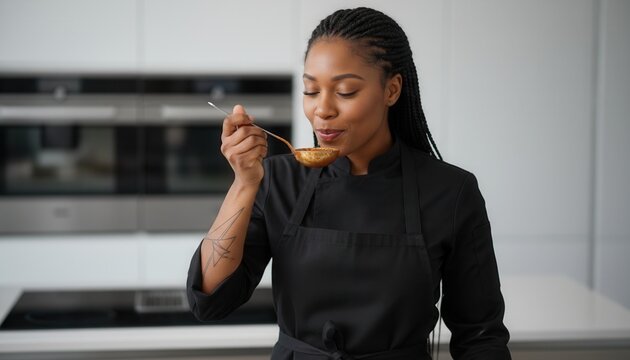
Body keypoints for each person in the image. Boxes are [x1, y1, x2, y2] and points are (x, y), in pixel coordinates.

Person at [187, 7, 511, 360]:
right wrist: (244, 184)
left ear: (391, 89)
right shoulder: (277, 180)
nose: (322, 110)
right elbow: (211, 300)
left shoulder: (450, 192)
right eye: (311, 91)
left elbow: (480, 339)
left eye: (345, 91)